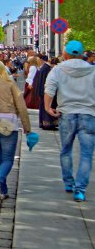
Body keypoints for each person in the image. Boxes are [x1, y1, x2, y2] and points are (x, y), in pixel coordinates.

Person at [44, 40, 95, 203]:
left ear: (65, 54)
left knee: (66, 149)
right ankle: (80, 190)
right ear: (82, 54)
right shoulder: (92, 70)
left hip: (67, 114)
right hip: (88, 114)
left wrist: (48, 108)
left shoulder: (58, 70)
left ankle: (68, 182)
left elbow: (49, 88)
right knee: (86, 154)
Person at [0, 59, 32, 200]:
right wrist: (27, 127)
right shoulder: (10, 83)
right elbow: (21, 105)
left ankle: (3, 190)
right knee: (8, 158)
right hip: (8, 123)